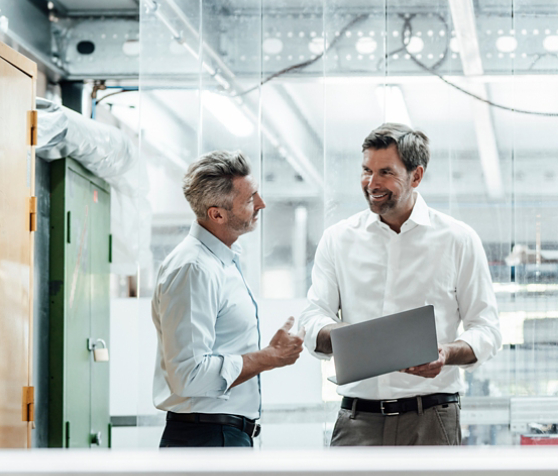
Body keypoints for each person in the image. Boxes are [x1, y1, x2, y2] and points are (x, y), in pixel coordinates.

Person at [300, 123, 501, 446]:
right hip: (357, 422)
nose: (371, 183)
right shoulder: (338, 239)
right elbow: (311, 320)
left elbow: (487, 330)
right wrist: (352, 340)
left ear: (416, 176)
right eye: (366, 170)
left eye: (385, 173)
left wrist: (446, 353)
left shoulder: (457, 239)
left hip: (432, 419)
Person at [152, 150, 303, 448]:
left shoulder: (223, 261)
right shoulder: (194, 268)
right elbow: (189, 375)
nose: (261, 204)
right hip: (205, 438)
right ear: (216, 214)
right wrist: (269, 357)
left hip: (220, 435)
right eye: (249, 200)